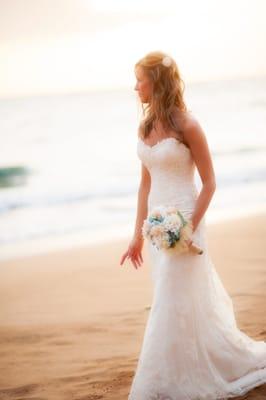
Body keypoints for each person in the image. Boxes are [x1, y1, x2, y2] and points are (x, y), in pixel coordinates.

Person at [120, 50, 266, 399]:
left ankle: (161, 384)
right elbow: (145, 185)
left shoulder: (188, 125)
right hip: (158, 226)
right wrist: (137, 235)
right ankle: (186, 367)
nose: (135, 86)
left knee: (170, 299)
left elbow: (210, 182)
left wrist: (187, 228)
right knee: (178, 301)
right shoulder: (144, 127)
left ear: (156, 81)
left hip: (187, 220)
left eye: (140, 78)